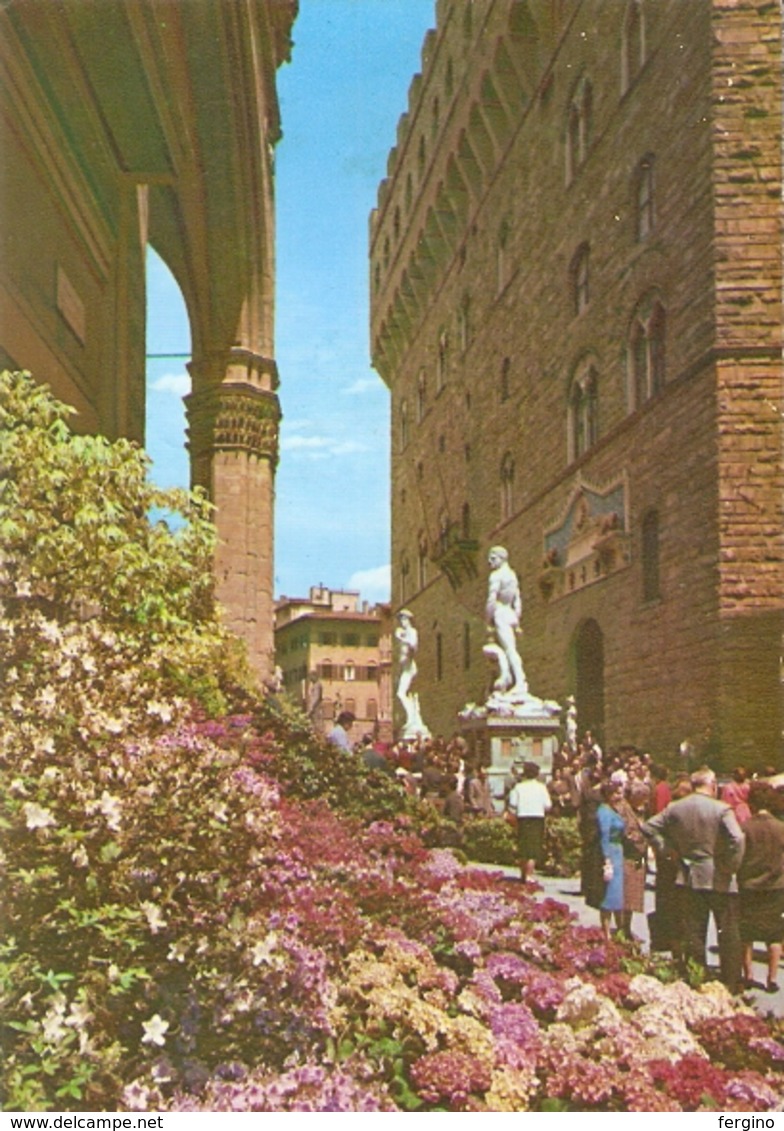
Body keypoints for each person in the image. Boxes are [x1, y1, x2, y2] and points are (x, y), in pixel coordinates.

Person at [642, 766, 745, 993]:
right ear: (712, 784)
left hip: (688, 875)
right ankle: (730, 982)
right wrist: (731, 865)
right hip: (720, 876)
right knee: (727, 931)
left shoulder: (676, 808)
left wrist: (668, 849)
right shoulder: (721, 809)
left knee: (694, 931)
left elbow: (648, 827)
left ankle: (697, 977)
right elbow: (737, 838)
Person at [737, 782, 784, 992]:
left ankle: (748, 974)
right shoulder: (780, 827)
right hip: (775, 886)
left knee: (746, 934)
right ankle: (772, 978)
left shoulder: (745, 828)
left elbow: (738, 856)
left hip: (749, 885)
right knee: (773, 935)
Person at [484, 546, 528, 698]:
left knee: (509, 650)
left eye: (493, 558)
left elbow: (491, 599)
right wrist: (517, 621)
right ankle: (508, 678)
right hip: (510, 614)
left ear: (502, 558)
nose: (490, 562)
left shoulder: (496, 576)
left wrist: (488, 619)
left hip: (501, 613)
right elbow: (518, 600)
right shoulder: (512, 575)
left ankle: (520, 681)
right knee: (509, 649)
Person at [506, 761, 551, 883]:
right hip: (537, 818)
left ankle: (523, 874)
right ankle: (529, 874)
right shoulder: (541, 788)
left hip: (523, 818)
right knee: (534, 848)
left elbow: (512, 805)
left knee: (523, 847)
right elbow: (548, 805)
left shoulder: (519, 787)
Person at [596, 780, 626, 939]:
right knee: (609, 893)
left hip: (619, 851)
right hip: (611, 852)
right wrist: (606, 858)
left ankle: (619, 929)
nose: (619, 796)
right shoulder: (604, 812)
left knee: (618, 893)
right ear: (608, 794)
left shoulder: (614, 810)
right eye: (616, 793)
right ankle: (606, 932)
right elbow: (604, 836)